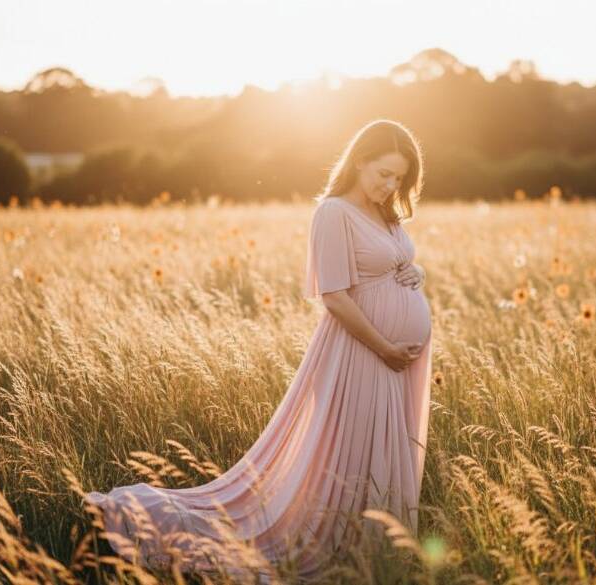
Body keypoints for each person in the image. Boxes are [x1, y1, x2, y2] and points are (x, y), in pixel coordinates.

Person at [83, 119, 432, 583]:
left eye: (399, 179)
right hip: (361, 354)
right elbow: (334, 296)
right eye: (384, 173)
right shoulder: (334, 212)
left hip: (394, 361)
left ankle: (370, 545)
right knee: (344, 455)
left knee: (376, 455)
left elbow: (389, 264)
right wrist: (386, 346)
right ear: (361, 160)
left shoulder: (386, 213)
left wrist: (415, 274)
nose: (390, 186)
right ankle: (142, 520)